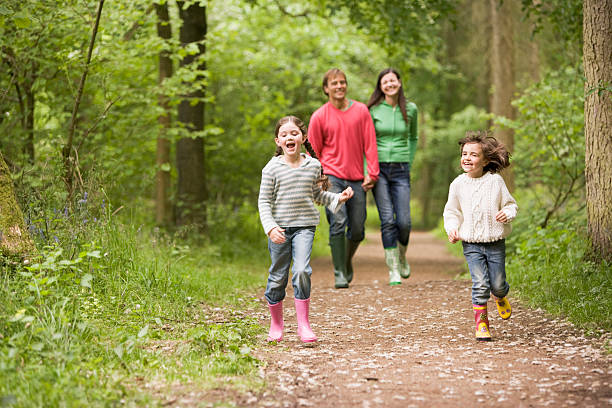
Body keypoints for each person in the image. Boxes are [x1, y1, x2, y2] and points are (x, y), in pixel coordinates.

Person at [258, 115, 354, 343]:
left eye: (294, 133)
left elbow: (317, 195)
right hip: (279, 230)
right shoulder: (271, 169)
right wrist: (270, 228)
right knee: (278, 277)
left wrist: (338, 198)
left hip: (305, 227)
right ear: (277, 141)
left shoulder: (313, 165)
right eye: (284, 135)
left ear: (302, 138)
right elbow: (263, 201)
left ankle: (303, 325)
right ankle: (276, 323)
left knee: (301, 271)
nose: (289, 137)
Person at [308, 68, 379, 289]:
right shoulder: (319, 116)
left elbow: (370, 143)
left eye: (342, 82)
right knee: (338, 222)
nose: (339, 86)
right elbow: (313, 151)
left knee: (358, 228)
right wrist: (318, 179)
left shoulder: (361, 111)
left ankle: (345, 260)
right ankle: (339, 271)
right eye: (334, 83)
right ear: (326, 88)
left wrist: (372, 172)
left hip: (357, 178)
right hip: (332, 177)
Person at [443, 131, 517, 341]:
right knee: (480, 283)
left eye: (473, 154)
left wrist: (507, 214)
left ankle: (501, 296)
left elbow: (511, 204)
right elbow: (452, 211)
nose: (467, 158)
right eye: (464, 153)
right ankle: (482, 323)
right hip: (471, 244)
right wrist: (452, 228)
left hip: (495, 243)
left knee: (498, 284)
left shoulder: (495, 182)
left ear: (485, 160)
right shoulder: (457, 184)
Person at [367, 68, 418, 286]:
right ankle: (393, 269)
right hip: (378, 170)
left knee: (404, 222)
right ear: (380, 86)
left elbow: (413, 137)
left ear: (399, 82)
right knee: (387, 220)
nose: (389, 84)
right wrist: (367, 170)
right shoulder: (374, 110)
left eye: (393, 80)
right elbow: (367, 142)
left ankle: (402, 255)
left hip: (401, 168)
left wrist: (409, 159)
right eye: (385, 81)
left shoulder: (411, 109)